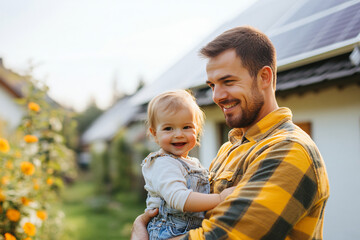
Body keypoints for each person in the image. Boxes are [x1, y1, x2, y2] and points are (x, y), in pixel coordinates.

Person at [132, 26, 330, 240]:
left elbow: (221, 236)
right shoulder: (229, 148)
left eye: (228, 82)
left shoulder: (289, 150)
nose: (217, 96)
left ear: (264, 77)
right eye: (212, 85)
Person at [142, 90, 234, 240]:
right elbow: (178, 198)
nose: (178, 134)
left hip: (187, 230)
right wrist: (219, 199)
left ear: (197, 129)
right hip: (167, 232)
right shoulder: (163, 163)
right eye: (168, 128)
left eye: (186, 127)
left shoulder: (193, 163)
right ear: (154, 133)